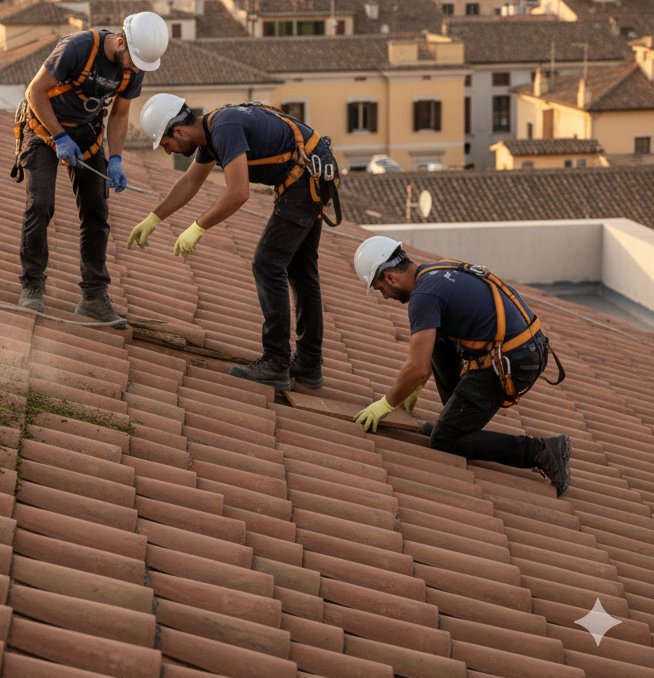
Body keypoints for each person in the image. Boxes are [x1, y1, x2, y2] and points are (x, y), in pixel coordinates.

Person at [128, 96, 341, 391]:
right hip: (312, 172)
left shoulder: (224, 128)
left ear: (178, 131)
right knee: (301, 271)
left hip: (307, 179)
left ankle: (277, 363)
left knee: (268, 263)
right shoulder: (214, 133)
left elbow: (238, 193)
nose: (167, 151)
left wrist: (198, 227)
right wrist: (154, 218)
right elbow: (190, 182)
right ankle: (307, 363)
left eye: (165, 144)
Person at [352, 236, 571, 496]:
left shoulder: (424, 296)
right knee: (439, 339)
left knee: (445, 441)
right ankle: (455, 420)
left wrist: (385, 405)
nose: (385, 296)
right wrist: (413, 386)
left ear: (390, 277)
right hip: (523, 348)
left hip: (514, 361)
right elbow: (428, 355)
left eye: (379, 288)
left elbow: (418, 368)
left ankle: (542, 451)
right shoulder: (436, 272)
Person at [11, 12, 169, 327]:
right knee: (40, 204)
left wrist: (116, 159)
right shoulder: (79, 47)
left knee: (97, 213)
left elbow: (121, 114)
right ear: (121, 42)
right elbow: (35, 92)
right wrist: (59, 137)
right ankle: (32, 287)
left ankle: (94, 297)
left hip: (87, 136)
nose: (136, 70)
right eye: (134, 62)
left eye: (140, 67)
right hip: (43, 129)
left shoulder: (134, 68)